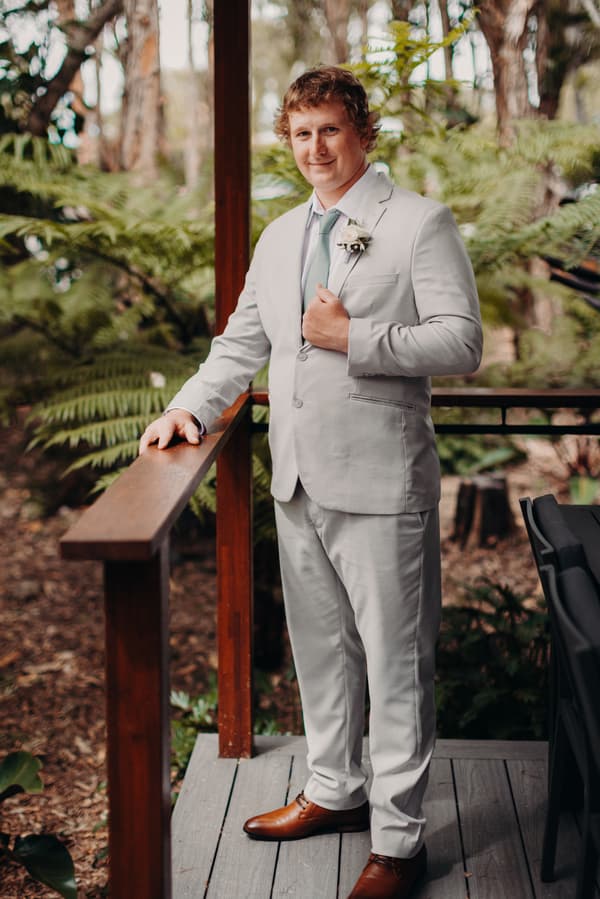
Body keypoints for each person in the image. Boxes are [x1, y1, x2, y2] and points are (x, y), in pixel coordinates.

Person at [139, 66, 482, 899]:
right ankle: (334, 789)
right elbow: (240, 340)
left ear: (362, 132)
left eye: (330, 129)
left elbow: (461, 343)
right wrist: (188, 407)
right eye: (300, 133)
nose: (315, 147)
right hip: (296, 480)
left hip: (382, 484)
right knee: (322, 656)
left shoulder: (417, 223)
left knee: (396, 666)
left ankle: (399, 840)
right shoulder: (283, 233)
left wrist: (350, 335)